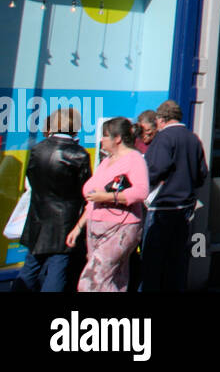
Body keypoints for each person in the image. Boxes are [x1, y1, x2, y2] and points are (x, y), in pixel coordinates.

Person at [68, 117, 149, 292]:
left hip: (121, 228)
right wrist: (78, 227)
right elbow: (92, 199)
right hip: (96, 228)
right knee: (115, 280)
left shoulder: (134, 159)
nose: (101, 140)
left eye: (105, 136)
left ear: (117, 138)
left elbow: (141, 191)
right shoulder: (106, 161)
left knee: (90, 282)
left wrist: (107, 196)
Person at [16, 107, 91, 292]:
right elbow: (86, 190)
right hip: (66, 220)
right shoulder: (79, 154)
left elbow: (31, 180)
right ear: (75, 127)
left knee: (31, 266)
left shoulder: (37, 149)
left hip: (38, 216)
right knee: (58, 269)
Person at [141, 99, 208, 292]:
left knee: (153, 261)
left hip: (162, 206)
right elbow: (202, 172)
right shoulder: (193, 138)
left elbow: (156, 169)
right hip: (185, 208)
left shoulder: (163, 138)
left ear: (161, 119)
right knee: (177, 259)